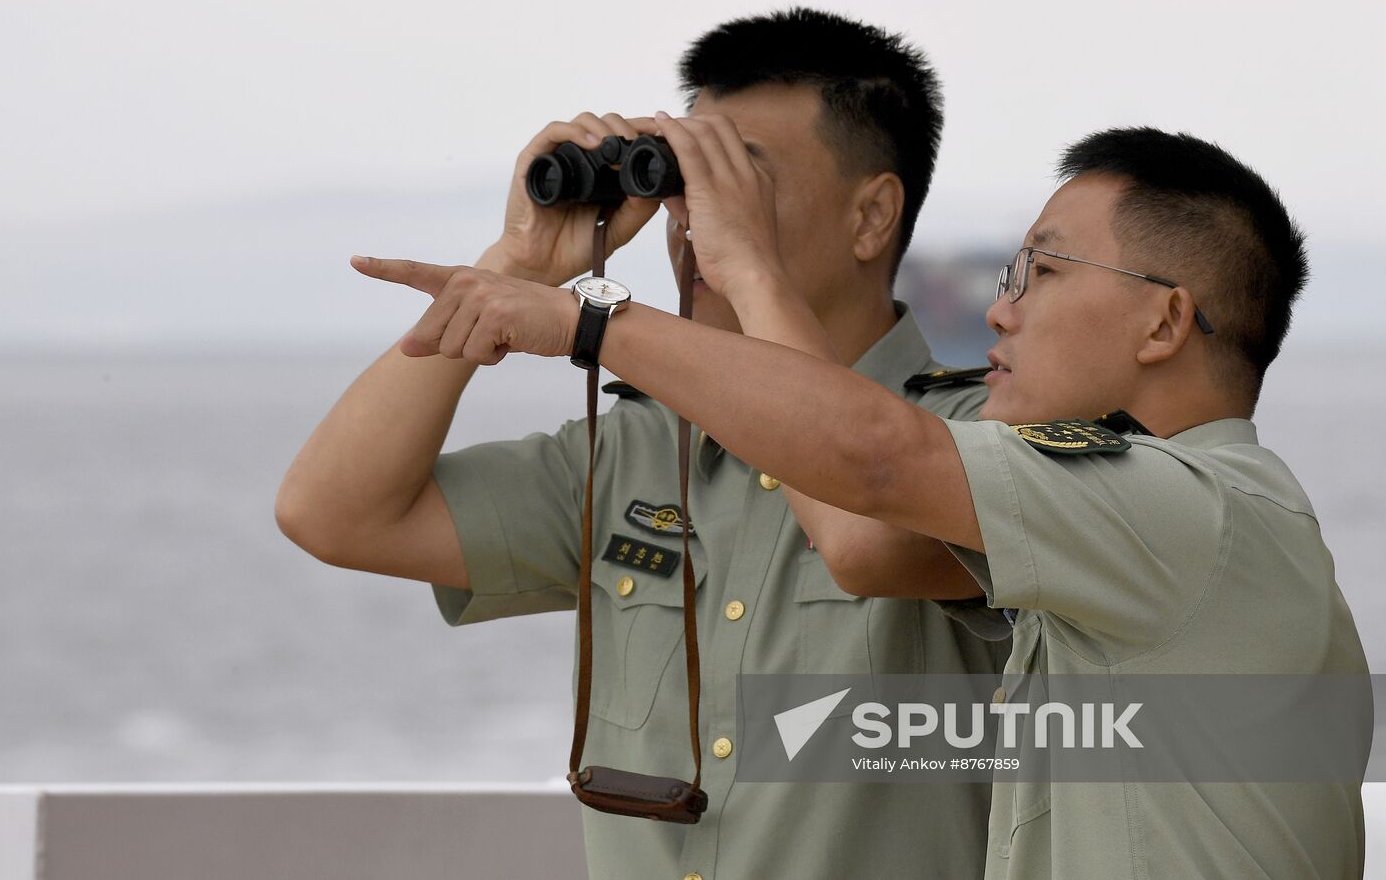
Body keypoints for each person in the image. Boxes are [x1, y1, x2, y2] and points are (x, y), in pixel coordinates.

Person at [383, 124, 1370, 879]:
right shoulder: (1169, 520)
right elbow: (859, 520)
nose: (999, 306)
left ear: (1163, 321)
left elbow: (873, 463)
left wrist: (596, 320)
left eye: (1043, 271)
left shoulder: (1185, 506)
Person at [277, 8, 1011, 879]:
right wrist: (515, 264)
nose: (694, 220)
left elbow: (864, 524)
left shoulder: (980, 448)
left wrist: (743, 268)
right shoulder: (634, 451)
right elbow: (331, 513)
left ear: (871, 216)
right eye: (684, 181)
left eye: (737, 179)